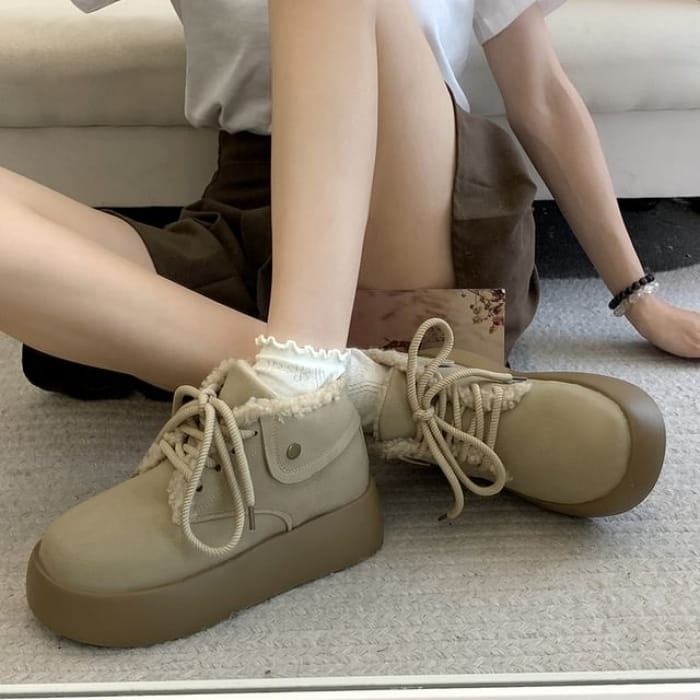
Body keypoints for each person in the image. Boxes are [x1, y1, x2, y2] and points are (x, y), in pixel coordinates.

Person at [5, 0, 687, 646]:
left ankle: (295, 383)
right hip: (246, 208)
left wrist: (638, 295)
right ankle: (371, 391)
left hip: (409, 185)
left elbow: (541, 93)